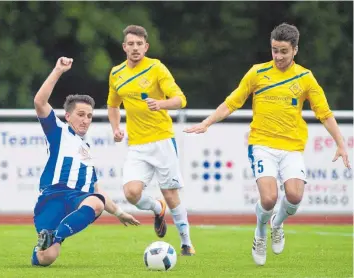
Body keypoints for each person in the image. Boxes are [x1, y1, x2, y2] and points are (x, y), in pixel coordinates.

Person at [184, 23, 351, 266]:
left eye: (284, 51)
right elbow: (232, 102)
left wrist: (340, 143)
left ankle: (277, 223)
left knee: (294, 196)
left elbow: (324, 113)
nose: (279, 56)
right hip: (262, 144)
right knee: (270, 198)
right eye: (274, 50)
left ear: (295, 50)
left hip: (292, 147)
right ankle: (261, 232)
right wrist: (207, 122)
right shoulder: (257, 73)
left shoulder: (305, 78)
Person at [31, 56, 140, 267]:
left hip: (76, 199)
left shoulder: (86, 150)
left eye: (89, 116)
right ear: (68, 116)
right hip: (53, 197)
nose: (86, 120)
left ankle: (54, 236)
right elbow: (39, 102)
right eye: (81, 114)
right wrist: (58, 70)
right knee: (47, 258)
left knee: (96, 200)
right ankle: (43, 246)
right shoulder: (58, 131)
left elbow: (97, 190)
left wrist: (119, 212)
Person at [107, 25, 195, 256]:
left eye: (139, 44)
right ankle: (158, 209)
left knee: (170, 192)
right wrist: (116, 128)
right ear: (124, 47)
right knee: (131, 193)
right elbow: (113, 105)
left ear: (146, 47)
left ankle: (186, 243)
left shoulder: (156, 68)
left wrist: (161, 103)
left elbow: (180, 99)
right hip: (137, 145)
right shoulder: (117, 73)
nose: (135, 48)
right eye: (131, 44)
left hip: (162, 141)